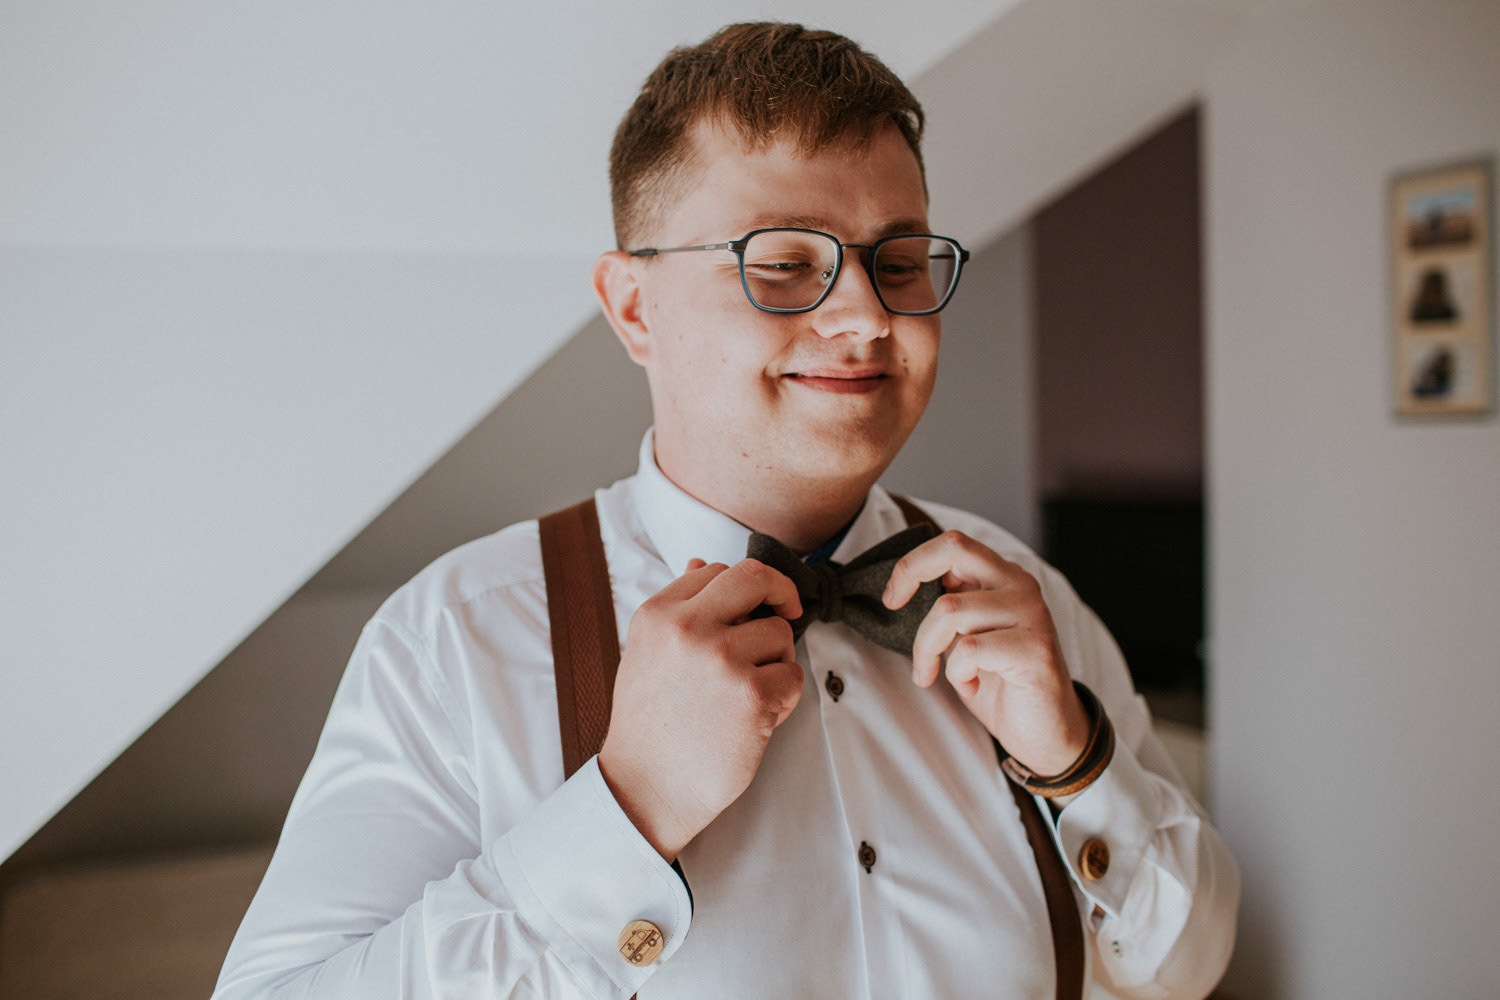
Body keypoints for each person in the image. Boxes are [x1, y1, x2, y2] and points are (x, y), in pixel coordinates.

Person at [213, 22, 1238, 1000]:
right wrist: (628, 808)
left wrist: (1076, 765)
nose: (865, 317)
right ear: (633, 306)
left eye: (897, 263)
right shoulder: (452, 640)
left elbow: (1187, 966)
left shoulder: (1024, 596)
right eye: (784, 264)